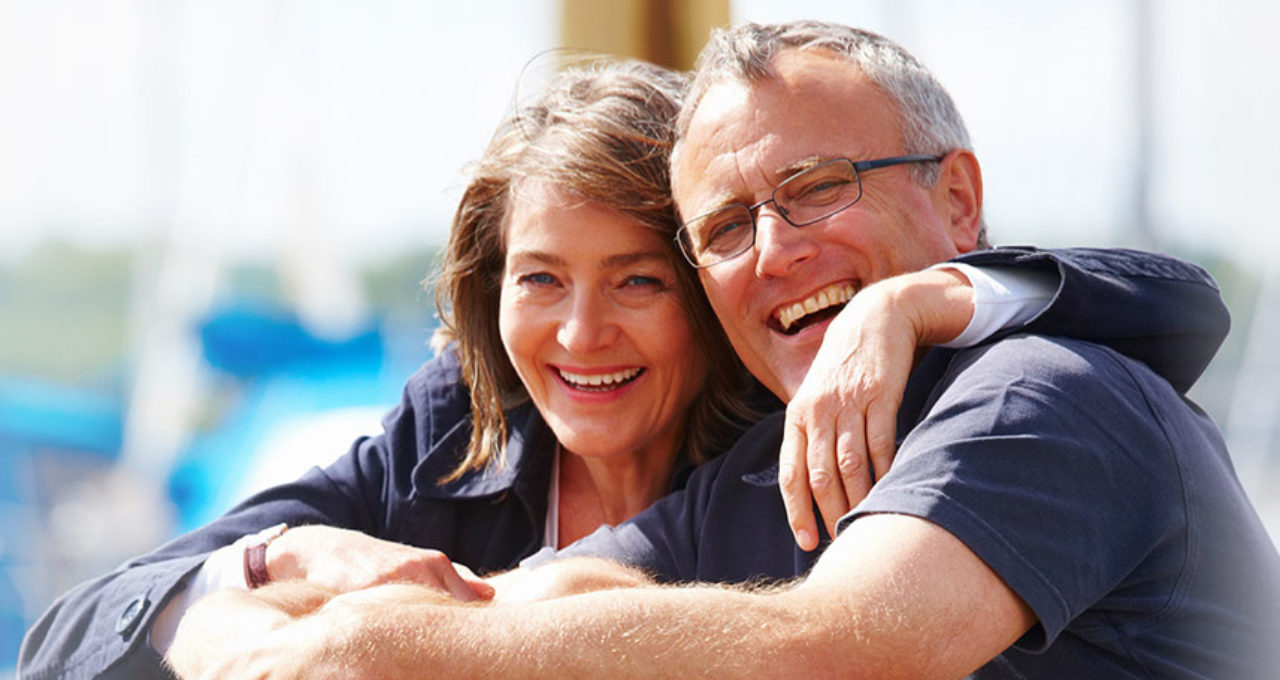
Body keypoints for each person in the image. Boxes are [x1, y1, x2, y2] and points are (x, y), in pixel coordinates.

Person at [162, 21, 1279, 680]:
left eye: (813, 189)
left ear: (958, 198)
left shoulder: (1040, 392)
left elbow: (832, 650)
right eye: (725, 228)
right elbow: (549, 596)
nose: (776, 250)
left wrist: (372, 654)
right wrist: (243, 621)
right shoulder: (761, 469)